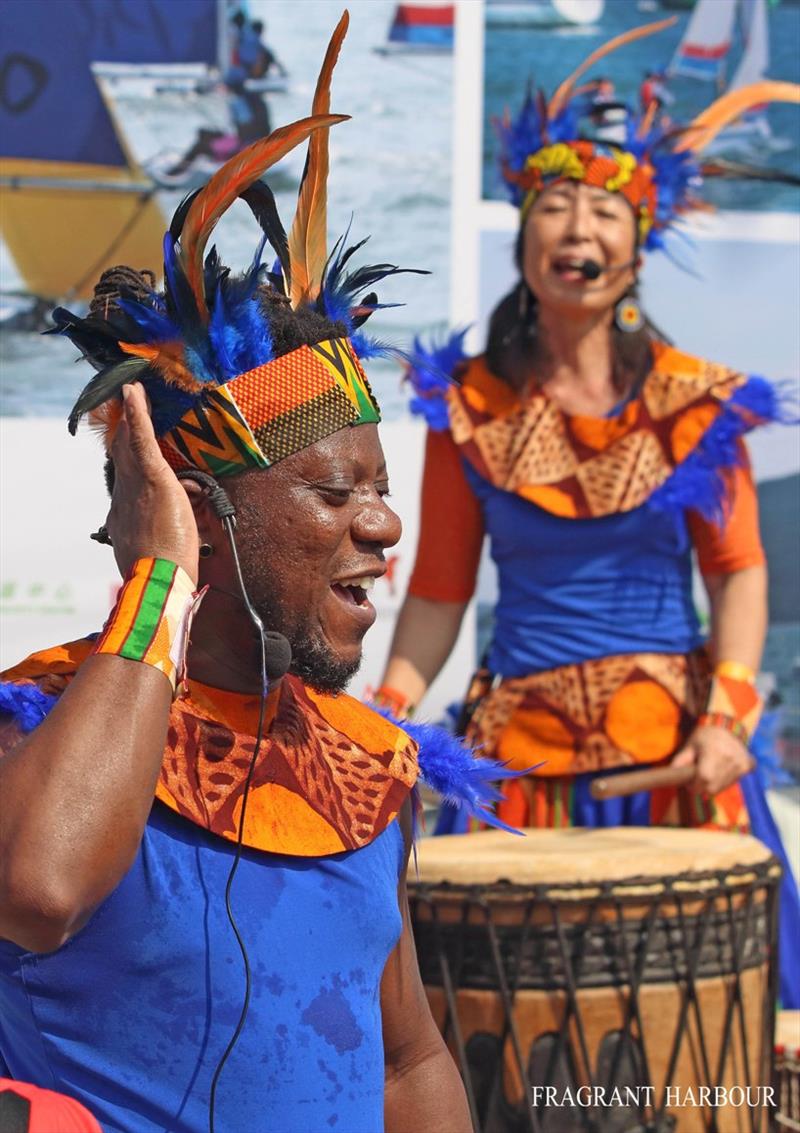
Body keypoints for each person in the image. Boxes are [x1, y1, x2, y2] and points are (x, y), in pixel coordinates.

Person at [0, 17, 479, 1132]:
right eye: (334, 492)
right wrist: (159, 576)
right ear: (201, 509)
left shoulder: (370, 772)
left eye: (380, 486)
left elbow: (406, 1063)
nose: (384, 522)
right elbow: (39, 888)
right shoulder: (33, 725)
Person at [376, 24, 800, 1006]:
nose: (577, 228)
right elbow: (439, 591)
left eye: (603, 209)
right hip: (519, 754)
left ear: (636, 244)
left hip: (679, 749)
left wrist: (729, 712)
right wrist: (384, 718)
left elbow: (736, 570)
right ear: (523, 237)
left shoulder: (697, 401)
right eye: (554, 205)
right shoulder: (467, 405)